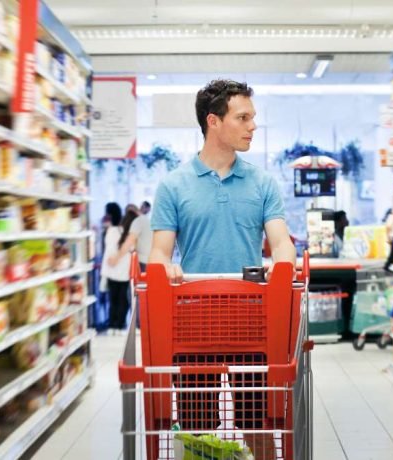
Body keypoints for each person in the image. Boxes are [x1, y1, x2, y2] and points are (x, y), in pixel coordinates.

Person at [149, 79, 296, 459]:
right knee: (198, 429)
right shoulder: (173, 185)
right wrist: (164, 268)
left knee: (258, 425)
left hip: (254, 324)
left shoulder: (262, 183)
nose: (252, 126)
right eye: (243, 117)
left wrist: (284, 264)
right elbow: (159, 253)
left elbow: (280, 242)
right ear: (213, 121)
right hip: (194, 326)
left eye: (253, 117)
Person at [102, 209, 138, 335]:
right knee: (123, 300)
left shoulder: (111, 231)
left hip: (111, 270)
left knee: (113, 300)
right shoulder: (132, 236)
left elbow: (107, 246)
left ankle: (112, 325)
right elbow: (133, 251)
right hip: (124, 273)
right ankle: (120, 325)